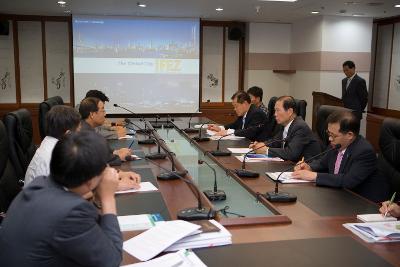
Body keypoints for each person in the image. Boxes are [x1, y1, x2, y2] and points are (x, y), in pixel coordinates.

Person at [0, 131, 123, 266]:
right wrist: (108, 197)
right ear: (90, 181)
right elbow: (111, 261)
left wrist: (97, 193)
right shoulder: (71, 212)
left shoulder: (39, 184)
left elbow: (89, 228)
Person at [24, 105, 141, 191]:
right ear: (68, 134)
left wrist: (117, 174)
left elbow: (85, 172)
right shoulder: (53, 157)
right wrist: (115, 186)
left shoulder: (53, 144)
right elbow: (70, 193)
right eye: (79, 131)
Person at [292, 110, 389, 202]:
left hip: (364, 203)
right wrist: (309, 167)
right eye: (328, 133)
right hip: (340, 197)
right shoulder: (336, 144)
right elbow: (322, 163)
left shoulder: (364, 151)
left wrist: (315, 176)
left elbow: (348, 181)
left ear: (350, 135)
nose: (330, 138)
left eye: (333, 135)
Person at [250, 96, 321, 162]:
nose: (275, 114)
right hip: (289, 165)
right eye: (275, 111)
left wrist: (266, 150)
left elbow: (291, 153)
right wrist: (261, 145)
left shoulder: (300, 127)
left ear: (290, 112)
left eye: (278, 110)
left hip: (305, 168)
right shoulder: (285, 124)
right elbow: (275, 141)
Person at [79, 97, 132, 162]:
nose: (105, 114)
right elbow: (94, 158)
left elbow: (99, 150)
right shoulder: (84, 133)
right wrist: (119, 157)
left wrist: (116, 152)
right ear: (92, 114)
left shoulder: (87, 127)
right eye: (102, 110)